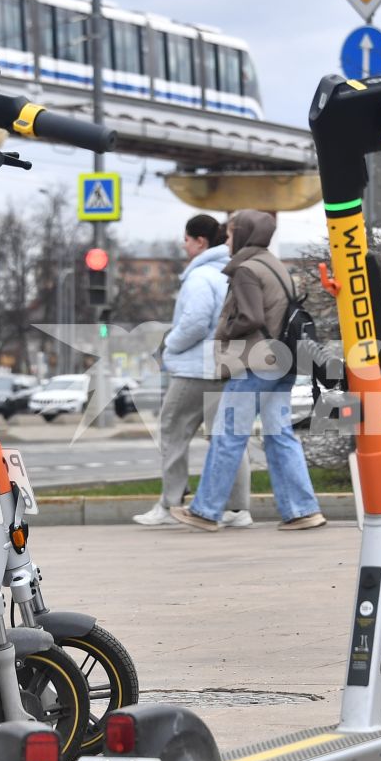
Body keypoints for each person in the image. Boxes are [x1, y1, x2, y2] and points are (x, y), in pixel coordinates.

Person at [170, 209, 326, 532]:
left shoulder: (246, 269)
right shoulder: (274, 264)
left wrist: (224, 330)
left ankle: (205, 511)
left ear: (243, 235)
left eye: (230, 234)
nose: (226, 240)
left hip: (256, 363)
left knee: (228, 434)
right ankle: (302, 510)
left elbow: (252, 318)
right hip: (282, 361)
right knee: (279, 434)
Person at [134, 214, 252, 527]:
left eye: (186, 239)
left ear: (200, 241)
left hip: (195, 368)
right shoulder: (229, 272)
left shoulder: (200, 277)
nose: (183, 245)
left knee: (173, 431)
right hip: (226, 365)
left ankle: (170, 504)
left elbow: (196, 321)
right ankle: (238, 509)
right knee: (225, 437)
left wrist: (170, 343)